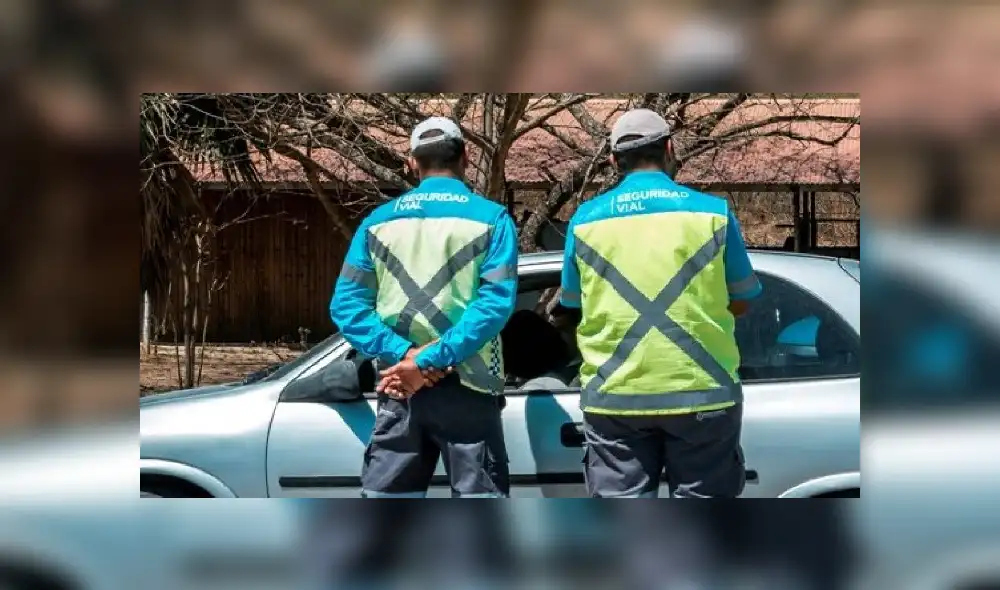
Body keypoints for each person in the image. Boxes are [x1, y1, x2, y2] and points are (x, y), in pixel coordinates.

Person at [558, 108, 762, 498]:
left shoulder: (584, 221)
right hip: (703, 391)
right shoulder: (714, 215)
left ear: (613, 161)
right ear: (670, 149)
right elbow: (743, 299)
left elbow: (573, 304)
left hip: (614, 396)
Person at [330, 116, 518, 498]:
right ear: (465, 157)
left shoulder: (376, 224)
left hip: (399, 386)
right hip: (471, 388)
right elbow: (494, 305)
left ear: (411, 162)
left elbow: (347, 306)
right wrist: (432, 358)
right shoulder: (493, 220)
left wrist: (406, 356)